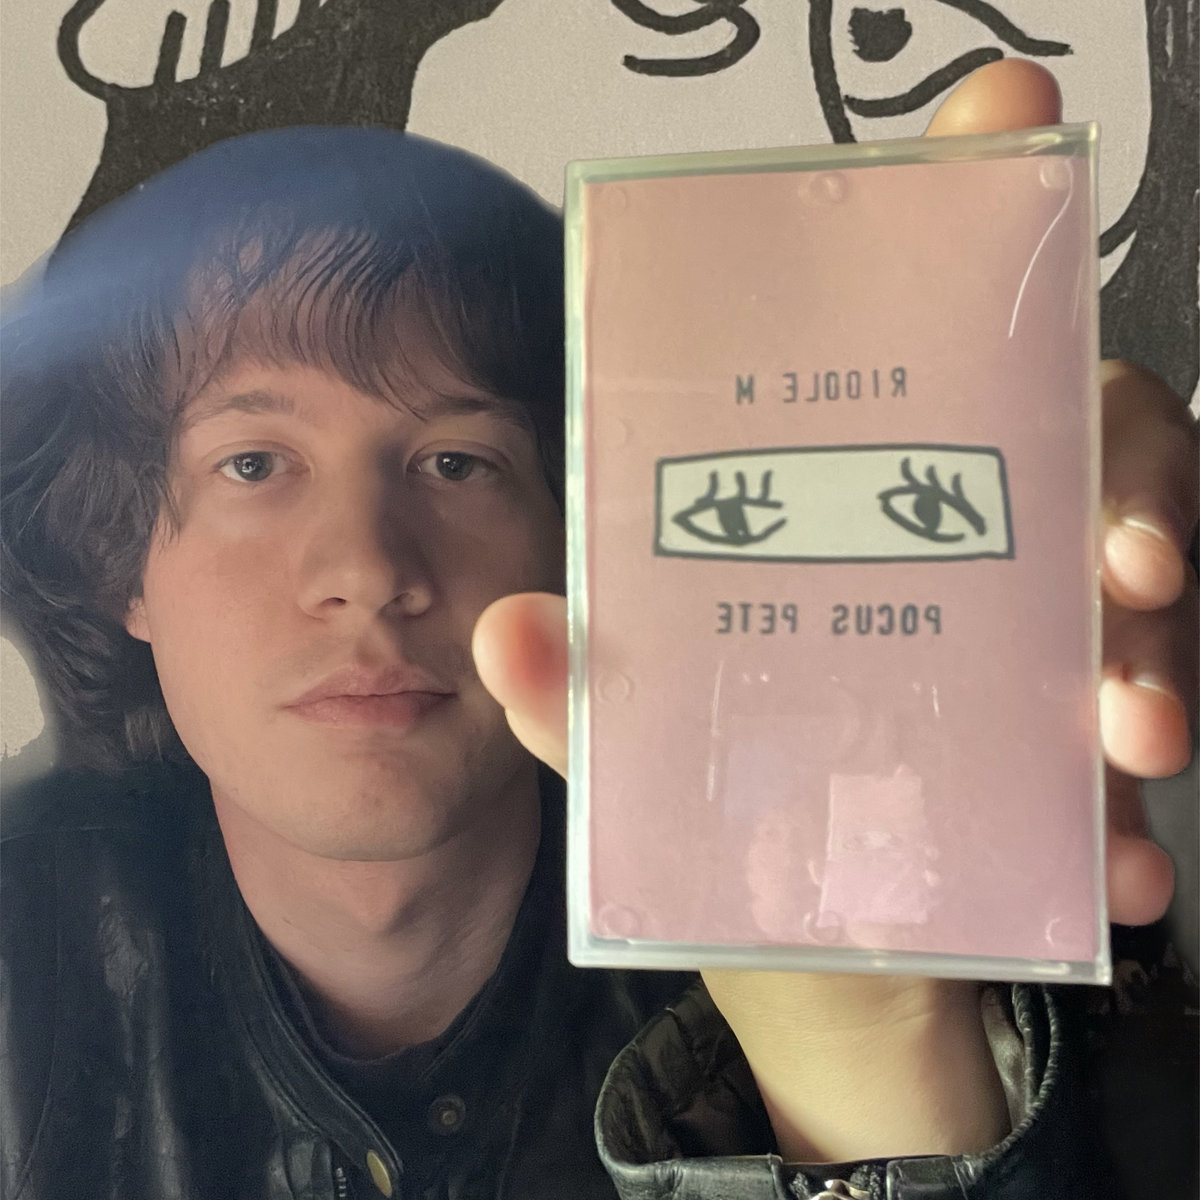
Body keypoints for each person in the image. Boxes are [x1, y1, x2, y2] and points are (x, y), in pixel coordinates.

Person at [1, 59, 1195, 1199]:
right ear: (122, 565)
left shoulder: (888, 873)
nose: (367, 570)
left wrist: (863, 1043)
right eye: (255, 464)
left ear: (577, 542)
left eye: (456, 462)